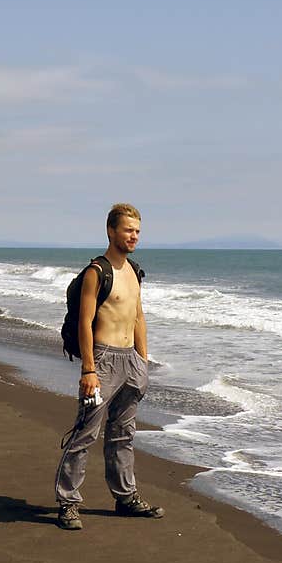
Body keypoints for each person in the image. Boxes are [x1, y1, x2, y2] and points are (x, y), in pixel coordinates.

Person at [54, 203, 165, 530]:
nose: (134, 236)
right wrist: (88, 370)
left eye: (137, 231)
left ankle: (125, 497)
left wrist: (142, 362)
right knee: (85, 432)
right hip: (102, 360)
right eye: (128, 230)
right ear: (111, 231)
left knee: (123, 435)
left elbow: (138, 317)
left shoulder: (134, 270)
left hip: (130, 360)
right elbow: (84, 324)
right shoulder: (96, 272)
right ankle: (68, 502)